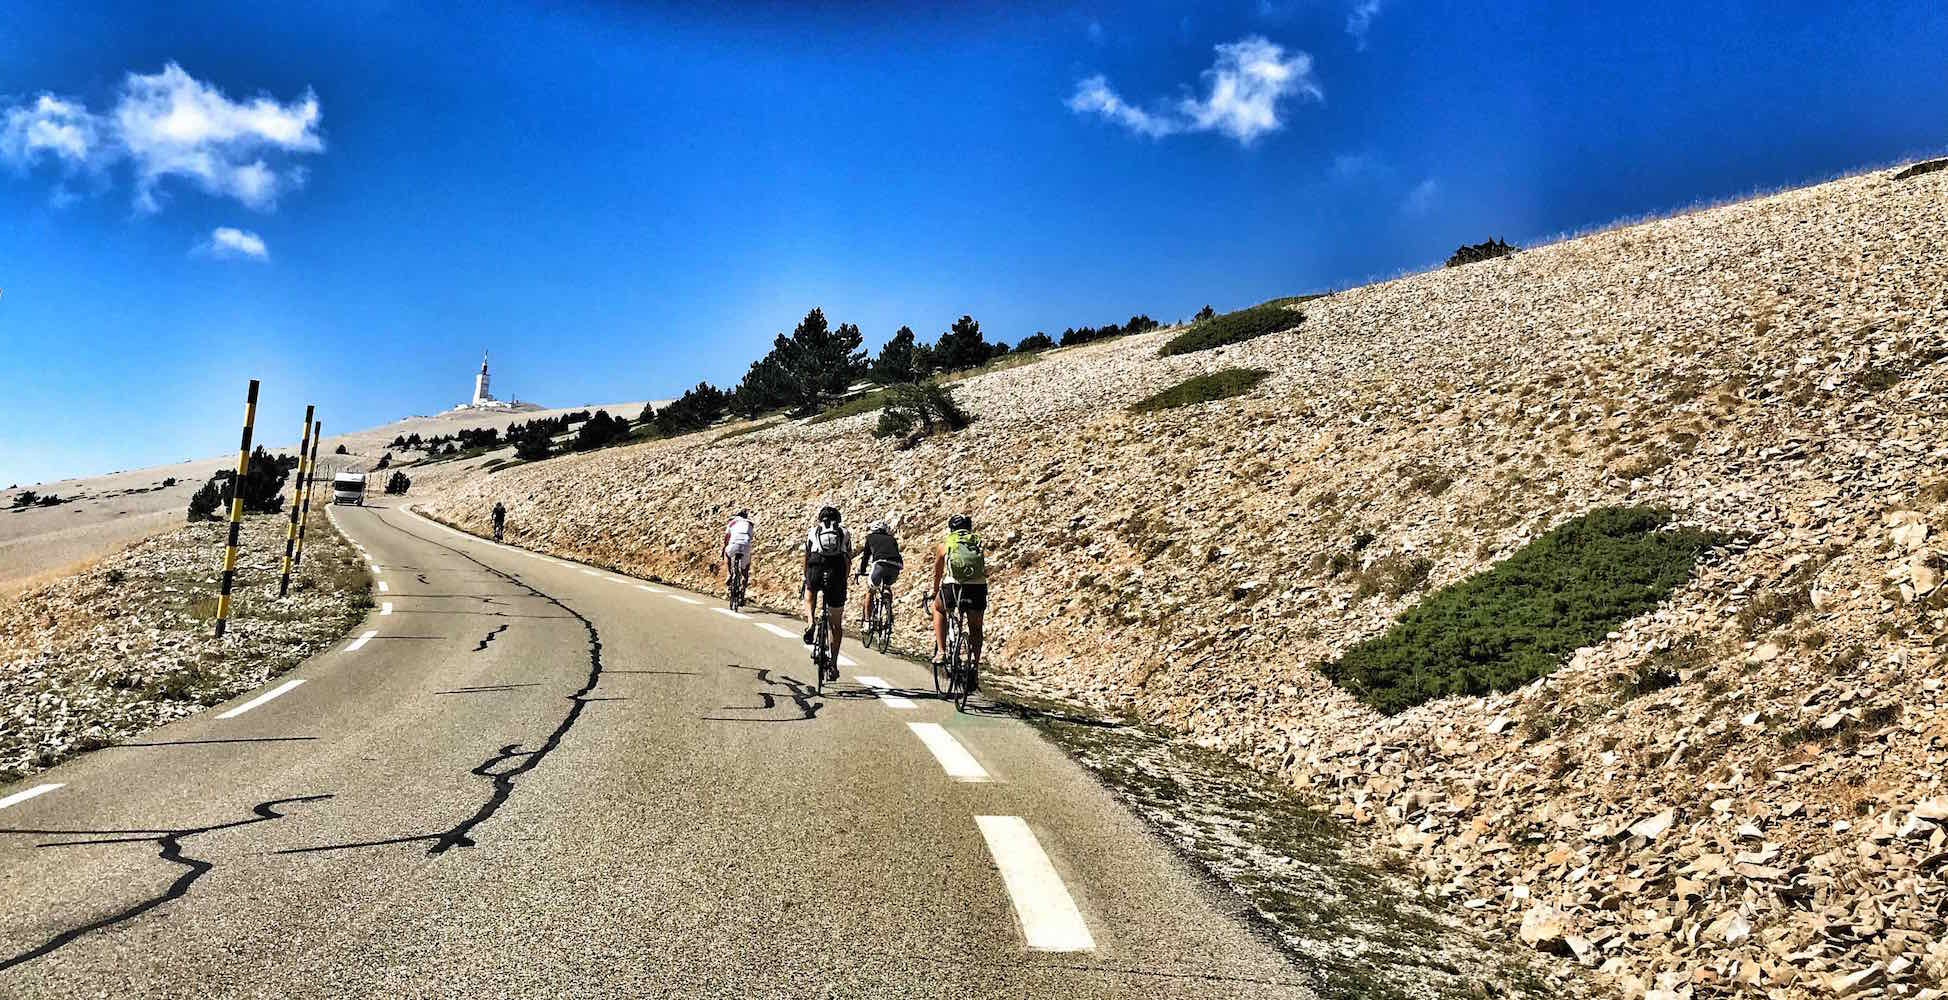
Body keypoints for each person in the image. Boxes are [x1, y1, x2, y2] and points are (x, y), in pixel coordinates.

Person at [801, 505, 853, 681]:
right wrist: (843, 580)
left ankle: (810, 623)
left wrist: (806, 577)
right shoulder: (844, 532)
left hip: (816, 566)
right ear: (838, 519)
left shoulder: (813, 531)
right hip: (836, 571)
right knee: (835, 624)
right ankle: (833, 665)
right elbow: (848, 560)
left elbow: (807, 556)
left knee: (809, 595)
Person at [931, 513, 987, 671]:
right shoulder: (977, 543)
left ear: (951, 529)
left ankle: (941, 652)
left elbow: (938, 572)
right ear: (969, 528)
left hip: (953, 586)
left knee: (938, 608)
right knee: (976, 627)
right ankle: (975, 665)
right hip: (977, 587)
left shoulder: (945, 544)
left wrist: (935, 591)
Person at [723, 509, 756, 593]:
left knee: (726, 554)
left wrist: (725, 547)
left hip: (734, 544)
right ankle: (744, 581)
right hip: (746, 545)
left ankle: (729, 574)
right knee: (746, 566)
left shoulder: (732, 523)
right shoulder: (750, 524)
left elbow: (726, 538)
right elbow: (751, 537)